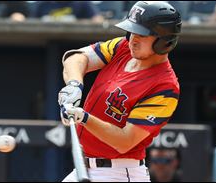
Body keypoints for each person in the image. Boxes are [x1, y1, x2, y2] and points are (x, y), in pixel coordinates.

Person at [58, 1, 182, 182]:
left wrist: (84, 118)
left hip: (119, 173)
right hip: (85, 167)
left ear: (164, 42)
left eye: (142, 34)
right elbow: (76, 57)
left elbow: (125, 141)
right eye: (132, 31)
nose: (133, 38)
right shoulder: (122, 48)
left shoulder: (165, 87)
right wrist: (74, 85)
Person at [31, 1, 104, 23]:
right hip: (44, 43)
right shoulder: (42, 4)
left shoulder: (82, 3)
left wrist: (79, 22)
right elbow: (31, 22)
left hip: (76, 42)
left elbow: (98, 19)